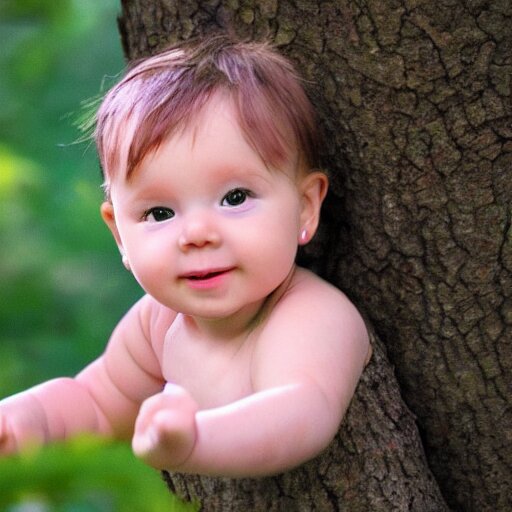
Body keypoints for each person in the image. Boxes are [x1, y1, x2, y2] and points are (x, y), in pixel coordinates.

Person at [0, 36, 370, 478]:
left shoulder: (308, 314)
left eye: (235, 197)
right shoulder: (157, 323)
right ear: (120, 234)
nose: (196, 235)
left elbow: (301, 413)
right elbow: (99, 401)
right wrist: (25, 420)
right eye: (159, 212)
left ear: (306, 206)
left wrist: (197, 441)